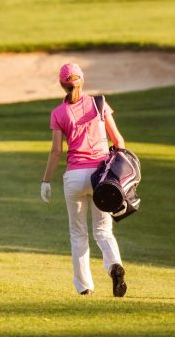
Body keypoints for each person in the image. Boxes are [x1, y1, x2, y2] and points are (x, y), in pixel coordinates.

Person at [40, 63, 128, 297]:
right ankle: (114, 266)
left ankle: (84, 287)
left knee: (78, 234)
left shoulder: (58, 113)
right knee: (103, 230)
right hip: (101, 176)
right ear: (82, 80)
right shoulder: (99, 104)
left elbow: (57, 151)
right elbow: (118, 141)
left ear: (62, 85)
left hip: (74, 177)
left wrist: (46, 181)